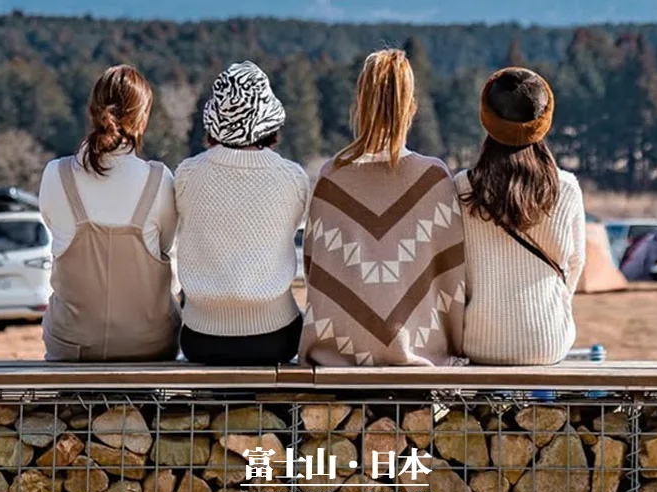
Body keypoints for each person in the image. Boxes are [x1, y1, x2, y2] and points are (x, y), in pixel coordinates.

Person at [301, 48, 464, 366]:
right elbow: (452, 279)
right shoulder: (433, 179)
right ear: (411, 107)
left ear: (359, 104)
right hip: (419, 351)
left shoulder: (331, 177)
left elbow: (314, 270)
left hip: (336, 355)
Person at [39, 64, 179, 361]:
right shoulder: (159, 179)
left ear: (93, 110)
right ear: (143, 118)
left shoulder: (56, 174)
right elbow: (166, 247)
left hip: (72, 344)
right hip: (151, 344)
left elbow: (54, 226)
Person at [174, 61, 308, 365]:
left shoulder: (187, 175)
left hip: (200, 337)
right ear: (270, 122)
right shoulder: (292, 177)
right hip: (276, 335)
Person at [456, 66, 585, 365]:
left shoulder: (463, 186)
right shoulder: (566, 189)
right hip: (548, 341)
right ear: (544, 121)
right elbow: (575, 263)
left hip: (479, 340)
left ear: (486, 117)